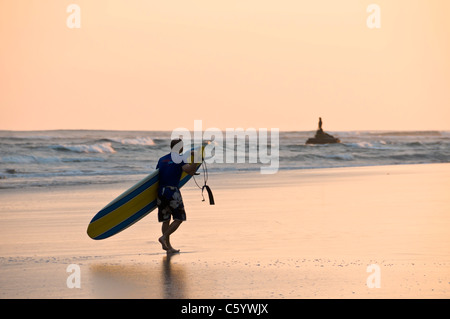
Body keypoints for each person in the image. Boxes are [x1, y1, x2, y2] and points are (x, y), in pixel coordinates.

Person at [156, 139, 199, 254]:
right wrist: (195, 160)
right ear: (179, 147)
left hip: (161, 192)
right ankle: (164, 237)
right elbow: (190, 171)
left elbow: (155, 178)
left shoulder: (161, 159)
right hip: (172, 191)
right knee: (179, 218)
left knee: (166, 220)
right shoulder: (180, 158)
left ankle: (168, 248)